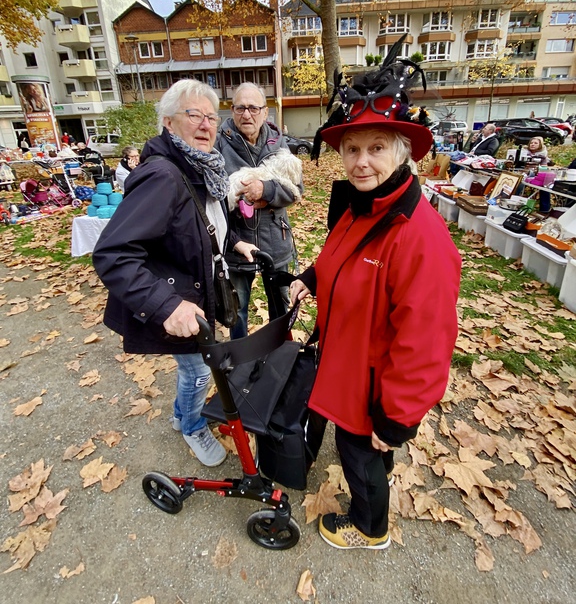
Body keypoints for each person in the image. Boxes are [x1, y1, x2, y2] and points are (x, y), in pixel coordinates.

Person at [290, 58, 461, 551]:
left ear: (403, 152)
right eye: (352, 148)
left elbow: (426, 340)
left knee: (358, 451)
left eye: (377, 148)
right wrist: (311, 278)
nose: (362, 161)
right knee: (362, 451)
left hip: (371, 385)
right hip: (346, 361)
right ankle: (377, 470)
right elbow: (338, 258)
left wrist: (398, 417)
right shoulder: (362, 206)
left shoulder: (419, 236)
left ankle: (370, 527)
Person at [93, 79, 257, 466]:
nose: (205, 125)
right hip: (176, 301)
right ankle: (191, 425)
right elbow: (113, 253)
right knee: (199, 371)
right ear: (168, 123)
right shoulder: (163, 176)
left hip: (197, 291)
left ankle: (181, 415)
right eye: (193, 115)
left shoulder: (200, 168)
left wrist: (234, 241)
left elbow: (205, 221)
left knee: (194, 368)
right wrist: (166, 307)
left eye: (211, 117)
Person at [217, 82, 303, 338]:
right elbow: (213, 199)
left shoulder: (279, 143)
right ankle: (242, 362)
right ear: (232, 111)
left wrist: (265, 191)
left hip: (276, 239)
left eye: (253, 108)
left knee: (280, 306)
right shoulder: (218, 144)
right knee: (237, 308)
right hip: (236, 244)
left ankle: (280, 354)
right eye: (240, 108)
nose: (247, 114)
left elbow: (297, 189)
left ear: (265, 112)